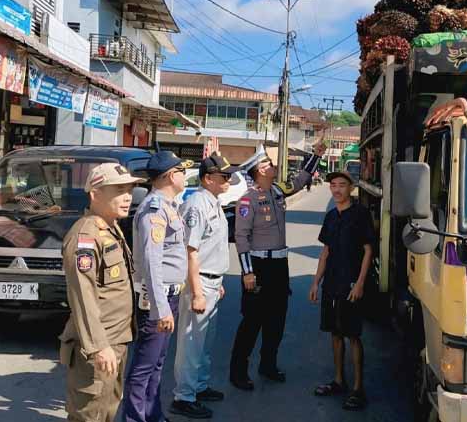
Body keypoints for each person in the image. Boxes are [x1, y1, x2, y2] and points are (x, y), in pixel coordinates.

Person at [229, 142, 327, 390]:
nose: (273, 166)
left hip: (279, 267)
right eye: (268, 164)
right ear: (259, 171)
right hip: (258, 266)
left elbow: (300, 179)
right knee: (252, 322)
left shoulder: (277, 191)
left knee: (277, 320)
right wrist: (247, 271)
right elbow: (241, 238)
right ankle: (238, 371)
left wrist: (316, 155)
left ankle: (268, 365)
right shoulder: (247, 201)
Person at [59, 163, 145, 422]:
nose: (128, 196)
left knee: (107, 410)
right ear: (95, 194)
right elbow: (82, 298)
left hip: (116, 340)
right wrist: (98, 347)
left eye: (129, 189)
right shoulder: (86, 236)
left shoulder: (111, 228)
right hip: (99, 346)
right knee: (89, 415)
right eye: (119, 190)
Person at [123, 151, 194, 422]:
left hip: (167, 297)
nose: (184, 176)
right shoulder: (154, 209)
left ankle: (153, 416)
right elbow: (152, 262)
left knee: (156, 364)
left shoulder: (168, 205)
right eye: (181, 171)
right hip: (157, 300)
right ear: (170, 176)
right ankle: (133, 418)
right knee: (143, 368)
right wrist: (160, 308)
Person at [171, 152, 239, 419]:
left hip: (211, 281)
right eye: (225, 176)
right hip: (199, 285)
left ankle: (198, 386)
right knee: (191, 342)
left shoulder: (213, 202)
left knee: (205, 341)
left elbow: (212, 247)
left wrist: (217, 281)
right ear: (208, 178)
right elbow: (190, 252)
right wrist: (197, 290)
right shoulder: (197, 205)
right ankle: (183, 396)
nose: (229, 180)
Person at [309, 171, 375, 411]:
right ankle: (339, 380)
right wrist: (316, 282)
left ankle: (359, 389)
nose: (337, 189)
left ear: (351, 188)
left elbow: (368, 251)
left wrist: (359, 283)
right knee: (334, 332)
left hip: (350, 285)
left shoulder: (360, 215)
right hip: (331, 285)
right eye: (333, 185)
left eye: (342, 185)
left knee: (353, 335)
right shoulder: (330, 217)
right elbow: (326, 251)